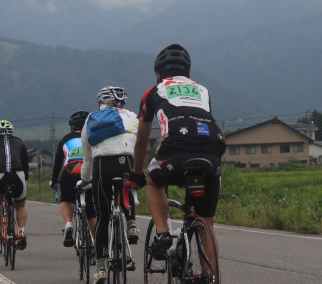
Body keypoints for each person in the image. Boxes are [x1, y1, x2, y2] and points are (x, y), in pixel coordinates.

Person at [131, 44, 226, 261]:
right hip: (211, 152)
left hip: (175, 148)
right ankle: (209, 276)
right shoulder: (203, 91)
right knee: (206, 224)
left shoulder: (152, 92)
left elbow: (142, 139)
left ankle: (163, 233)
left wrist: (137, 172)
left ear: (158, 73)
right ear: (188, 72)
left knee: (154, 181)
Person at [79, 86, 139, 284]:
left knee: (103, 216)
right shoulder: (131, 116)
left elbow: (87, 157)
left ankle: (101, 268)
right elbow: (138, 144)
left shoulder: (92, 118)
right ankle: (131, 223)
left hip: (102, 164)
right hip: (127, 162)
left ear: (101, 102)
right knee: (127, 184)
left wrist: (86, 180)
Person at [0, 120, 30, 250]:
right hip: (18, 175)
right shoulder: (20, 142)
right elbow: (25, 162)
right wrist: (25, 176)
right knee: (20, 205)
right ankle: (21, 232)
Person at [50, 110, 89, 247]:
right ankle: (96, 242)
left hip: (69, 173)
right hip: (89, 172)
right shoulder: (94, 137)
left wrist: (54, 181)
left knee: (66, 200)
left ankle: (68, 222)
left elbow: (58, 164)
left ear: (71, 127)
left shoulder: (65, 139)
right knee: (93, 210)